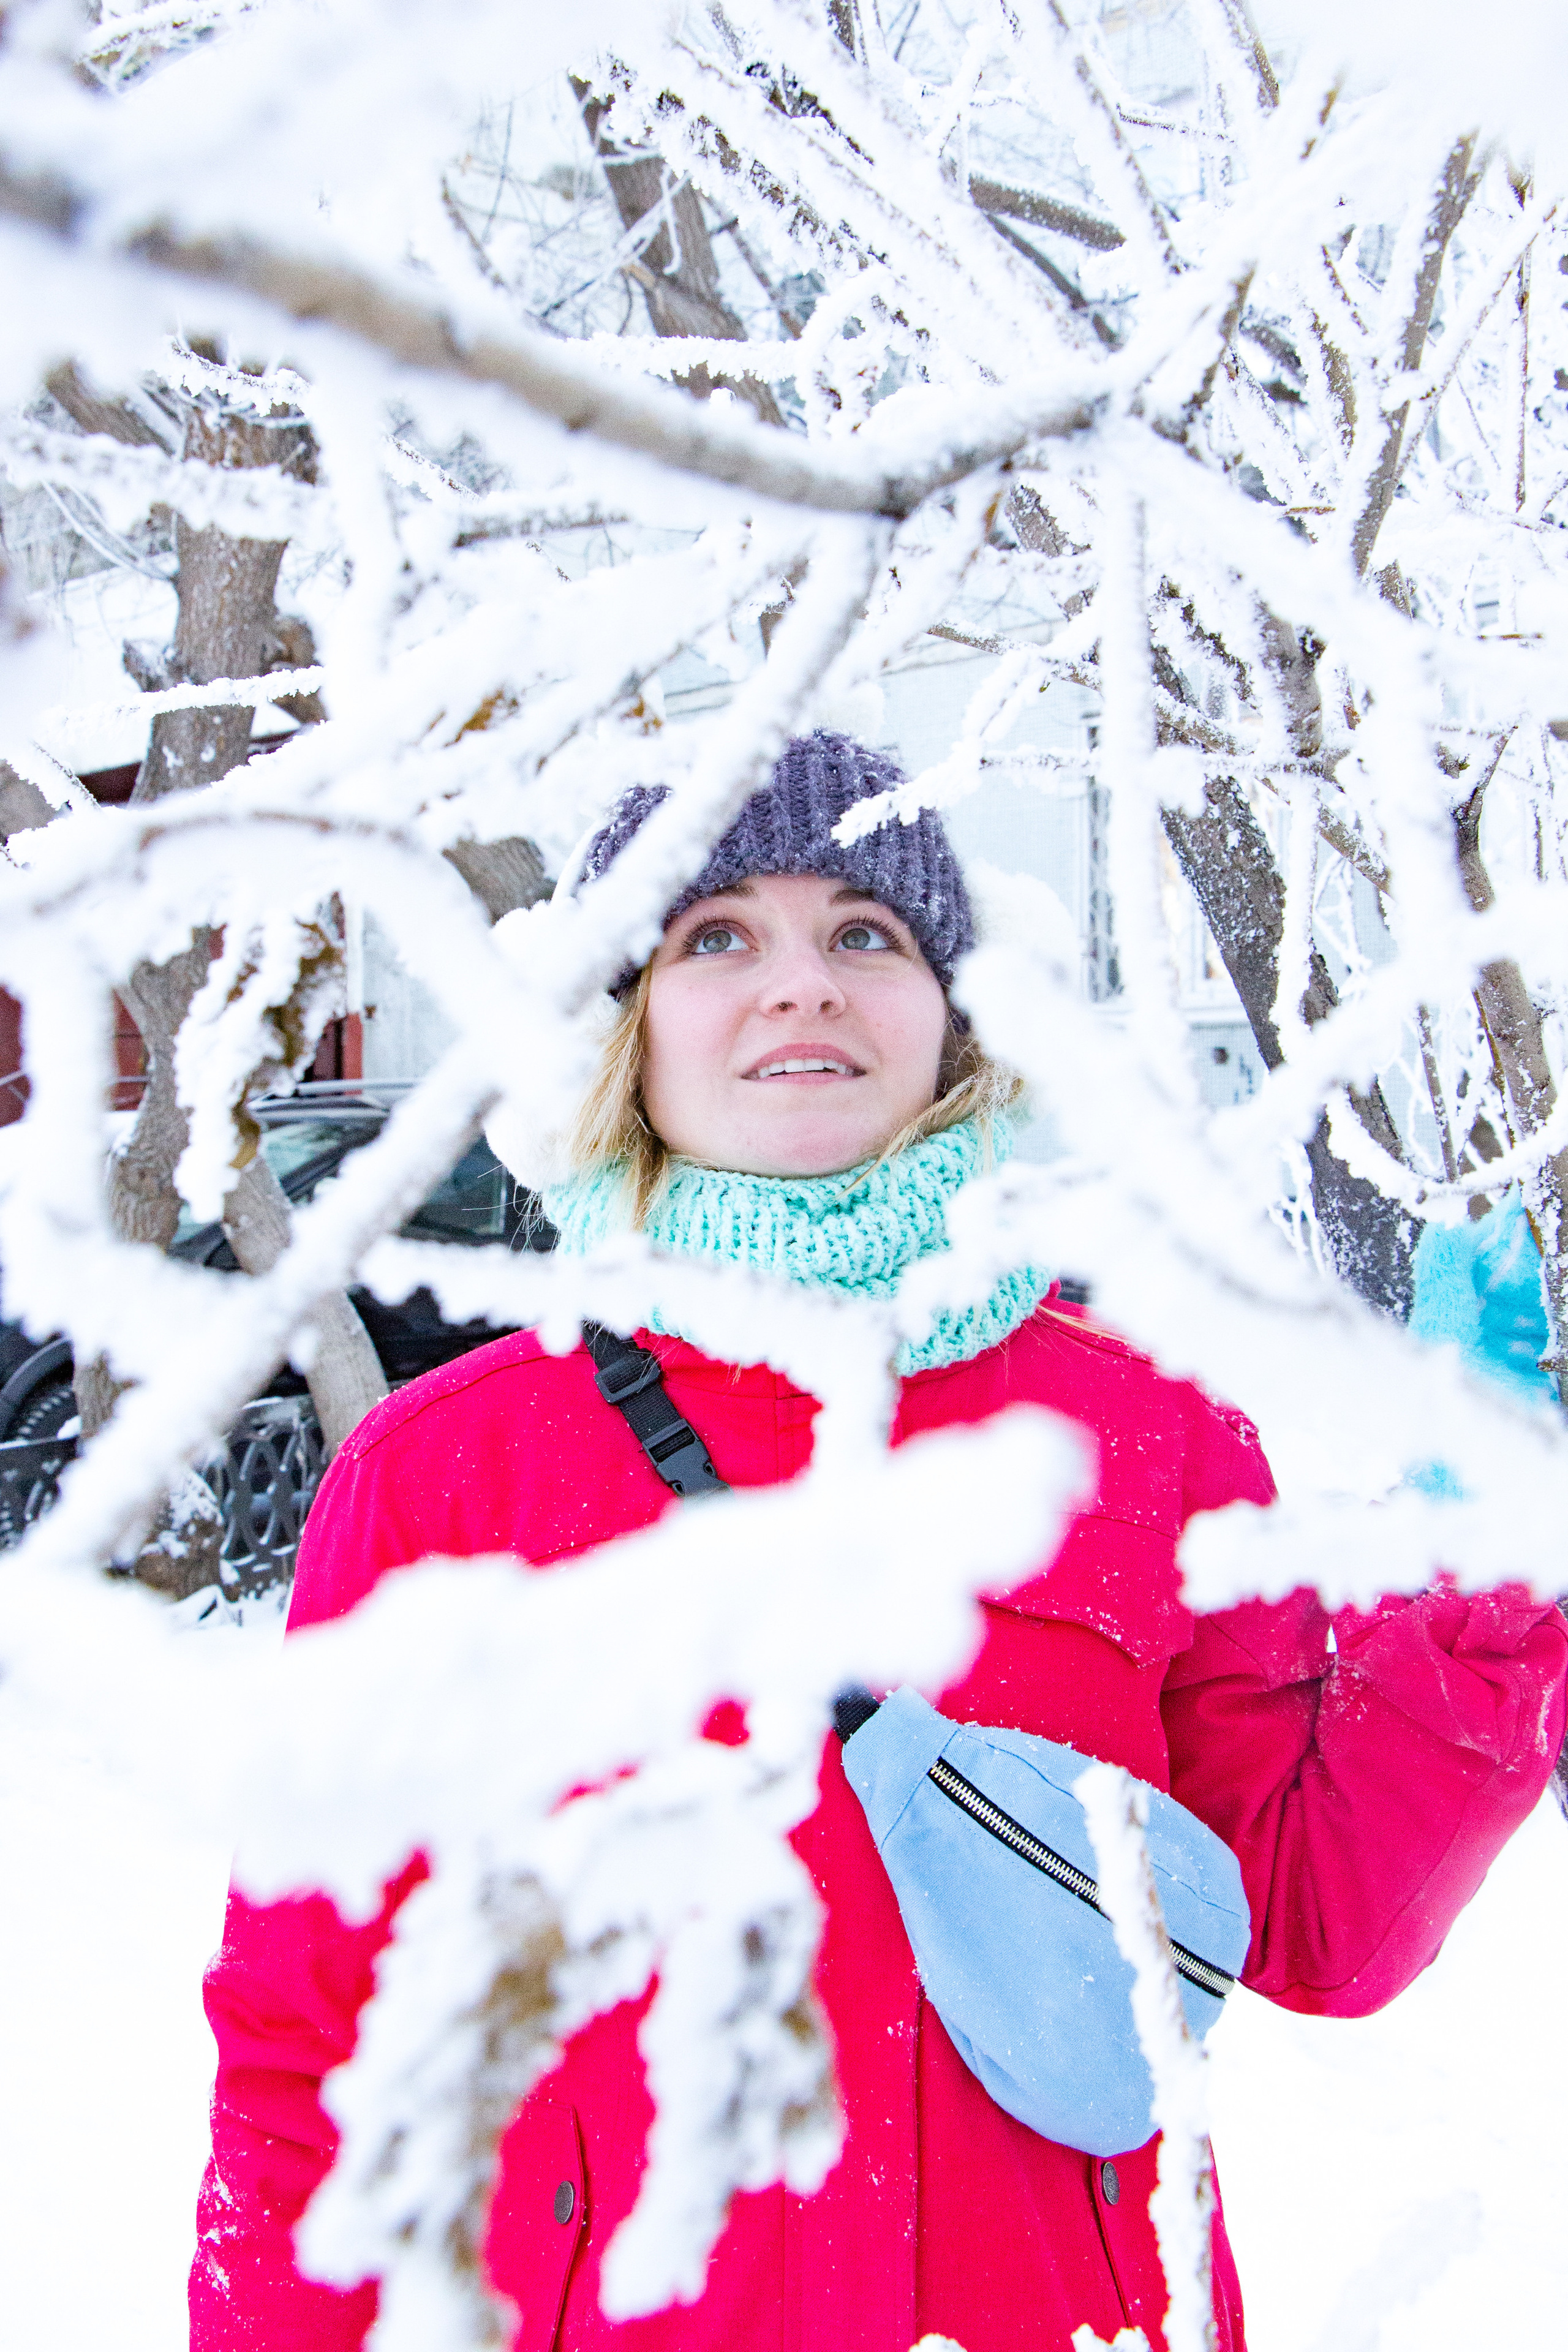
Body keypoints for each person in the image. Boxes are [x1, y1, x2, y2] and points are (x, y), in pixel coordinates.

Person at [191, 733, 1568, 2352]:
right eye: (716, 937)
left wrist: (1497, 1544)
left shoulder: (1153, 1435)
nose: (801, 986)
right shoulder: (445, 1477)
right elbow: (315, 2042)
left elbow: (1320, 1925)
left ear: (950, 1018)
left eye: (867, 932)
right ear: (622, 1025)